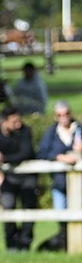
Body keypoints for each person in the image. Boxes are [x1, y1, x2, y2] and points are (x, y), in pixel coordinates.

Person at [0, 106, 38, 251]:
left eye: (19, 121)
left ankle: (25, 243)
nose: (18, 124)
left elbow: (26, 153)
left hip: (28, 178)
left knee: (29, 209)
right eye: (14, 122)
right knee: (7, 208)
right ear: (4, 122)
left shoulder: (25, 131)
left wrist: (3, 159)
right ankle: (11, 243)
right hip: (9, 178)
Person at [37, 100, 81, 247]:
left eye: (66, 114)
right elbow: (42, 152)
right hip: (59, 181)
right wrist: (60, 157)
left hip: (79, 184)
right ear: (55, 116)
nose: (64, 117)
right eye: (60, 115)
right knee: (61, 215)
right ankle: (67, 244)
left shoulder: (79, 129)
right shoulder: (51, 132)